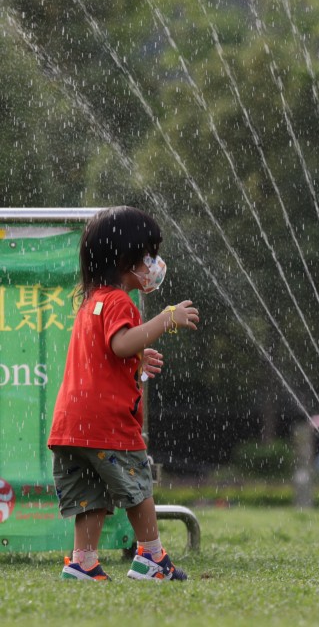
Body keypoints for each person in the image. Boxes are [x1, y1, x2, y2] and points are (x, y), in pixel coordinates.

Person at [48, 206, 199, 582]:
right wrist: (167, 318)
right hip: (108, 423)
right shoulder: (118, 301)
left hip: (73, 425)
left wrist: (136, 358)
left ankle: (82, 562)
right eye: (148, 255)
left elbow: (103, 356)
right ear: (124, 258)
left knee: (90, 494)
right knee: (138, 485)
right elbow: (118, 344)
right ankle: (151, 557)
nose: (153, 264)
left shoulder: (90, 302)